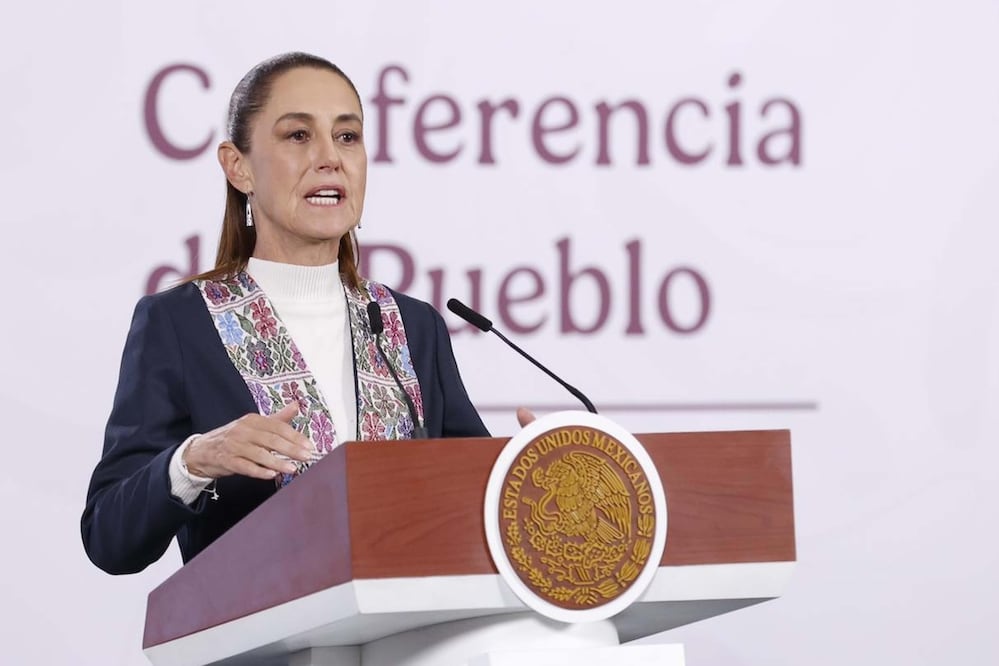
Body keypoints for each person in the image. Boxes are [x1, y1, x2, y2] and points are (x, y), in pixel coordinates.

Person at [81, 52, 500, 576]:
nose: (330, 158)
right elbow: (109, 538)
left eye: (347, 136)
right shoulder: (181, 324)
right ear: (238, 167)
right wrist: (193, 461)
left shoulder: (411, 326)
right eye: (298, 135)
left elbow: (476, 503)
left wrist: (534, 469)